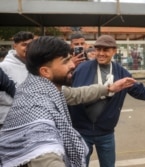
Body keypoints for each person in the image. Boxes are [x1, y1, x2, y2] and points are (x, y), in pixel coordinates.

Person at [0, 36, 136, 167]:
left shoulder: (40, 87)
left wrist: (109, 88)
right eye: (65, 61)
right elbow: (45, 156)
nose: (72, 65)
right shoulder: (37, 110)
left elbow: (76, 94)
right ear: (45, 71)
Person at [69, 35, 145, 167]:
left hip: (106, 132)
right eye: (98, 49)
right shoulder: (82, 69)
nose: (101, 53)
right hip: (81, 132)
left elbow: (142, 92)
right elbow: (67, 93)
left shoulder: (121, 73)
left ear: (114, 51)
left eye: (106, 50)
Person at [0, 31, 34, 127]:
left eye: (30, 45)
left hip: (30, 120)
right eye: (24, 45)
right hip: (6, 121)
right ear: (15, 46)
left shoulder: (36, 66)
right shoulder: (3, 67)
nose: (28, 48)